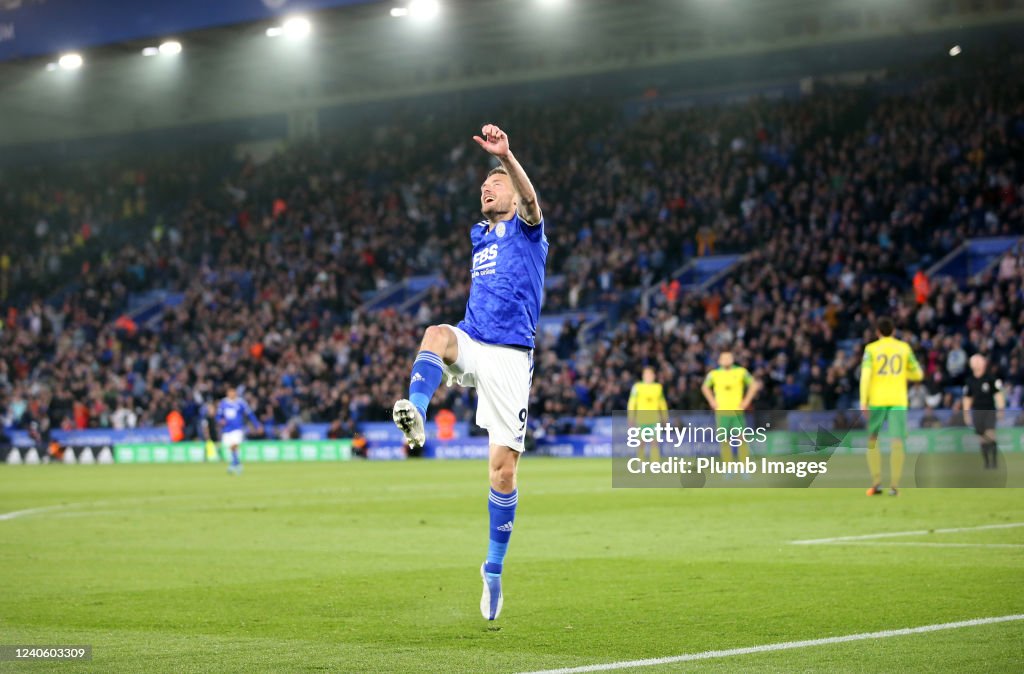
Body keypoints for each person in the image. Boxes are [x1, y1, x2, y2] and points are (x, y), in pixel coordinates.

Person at [391, 124, 547, 621]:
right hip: (474, 339)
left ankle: (493, 570)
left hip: (511, 359)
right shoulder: (479, 234)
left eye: (495, 182)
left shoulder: (528, 229)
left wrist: (509, 157)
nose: (487, 187)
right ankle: (414, 413)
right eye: (485, 183)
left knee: (502, 471)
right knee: (436, 334)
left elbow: (531, 200)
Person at [860, 317, 923, 496]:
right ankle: (894, 487)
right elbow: (918, 374)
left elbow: (865, 376)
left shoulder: (870, 350)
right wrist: (904, 373)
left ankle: (876, 483)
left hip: (877, 400)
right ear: (894, 331)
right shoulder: (904, 348)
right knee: (897, 441)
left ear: (877, 332)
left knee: (872, 440)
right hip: (898, 400)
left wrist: (863, 400)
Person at [701, 350, 761, 464]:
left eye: (728, 358)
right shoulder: (714, 374)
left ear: (733, 359)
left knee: (741, 439)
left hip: (737, 411)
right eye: (724, 358)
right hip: (721, 412)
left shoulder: (741, 372)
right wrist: (712, 401)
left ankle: (744, 466)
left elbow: (754, 385)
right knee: (724, 441)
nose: (726, 360)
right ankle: (728, 468)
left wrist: (746, 401)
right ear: (719, 361)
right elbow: (704, 387)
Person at [962, 354, 1005, 469]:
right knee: (981, 438)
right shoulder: (969, 381)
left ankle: (994, 462)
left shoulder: (991, 378)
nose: (976, 363)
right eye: (974, 361)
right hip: (977, 412)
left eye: (979, 361)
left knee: (990, 435)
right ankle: (986, 463)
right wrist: (966, 414)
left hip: (989, 411)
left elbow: (998, 395)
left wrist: (1001, 409)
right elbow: (967, 398)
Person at [217, 387, 261, 475]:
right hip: (226, 429)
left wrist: (257, 425)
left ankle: (234, 464)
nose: (232, 394)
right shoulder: (223, 403)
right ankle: (237, 464)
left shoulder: (241, 402)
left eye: (233, 392)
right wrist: (220, 421)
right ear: (227, 393)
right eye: (230, 392)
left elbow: (250, 414)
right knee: (230, 447)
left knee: (234, 445)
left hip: (237, 429)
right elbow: (218, 416)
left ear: (235, 393)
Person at [628, 366, 668, 461]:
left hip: (654, 419)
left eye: (650, 374)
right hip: (641, 419)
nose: (648, 376)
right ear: (643, 375)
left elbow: (662, 404)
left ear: (654, 375)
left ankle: (655, 463)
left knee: (655, 442)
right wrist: (631, 418)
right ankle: (641, 462)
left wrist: (665, 418)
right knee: (641, 442)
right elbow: (632, 403)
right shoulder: (637, 387)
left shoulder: (658, 387)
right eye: (646, 374)